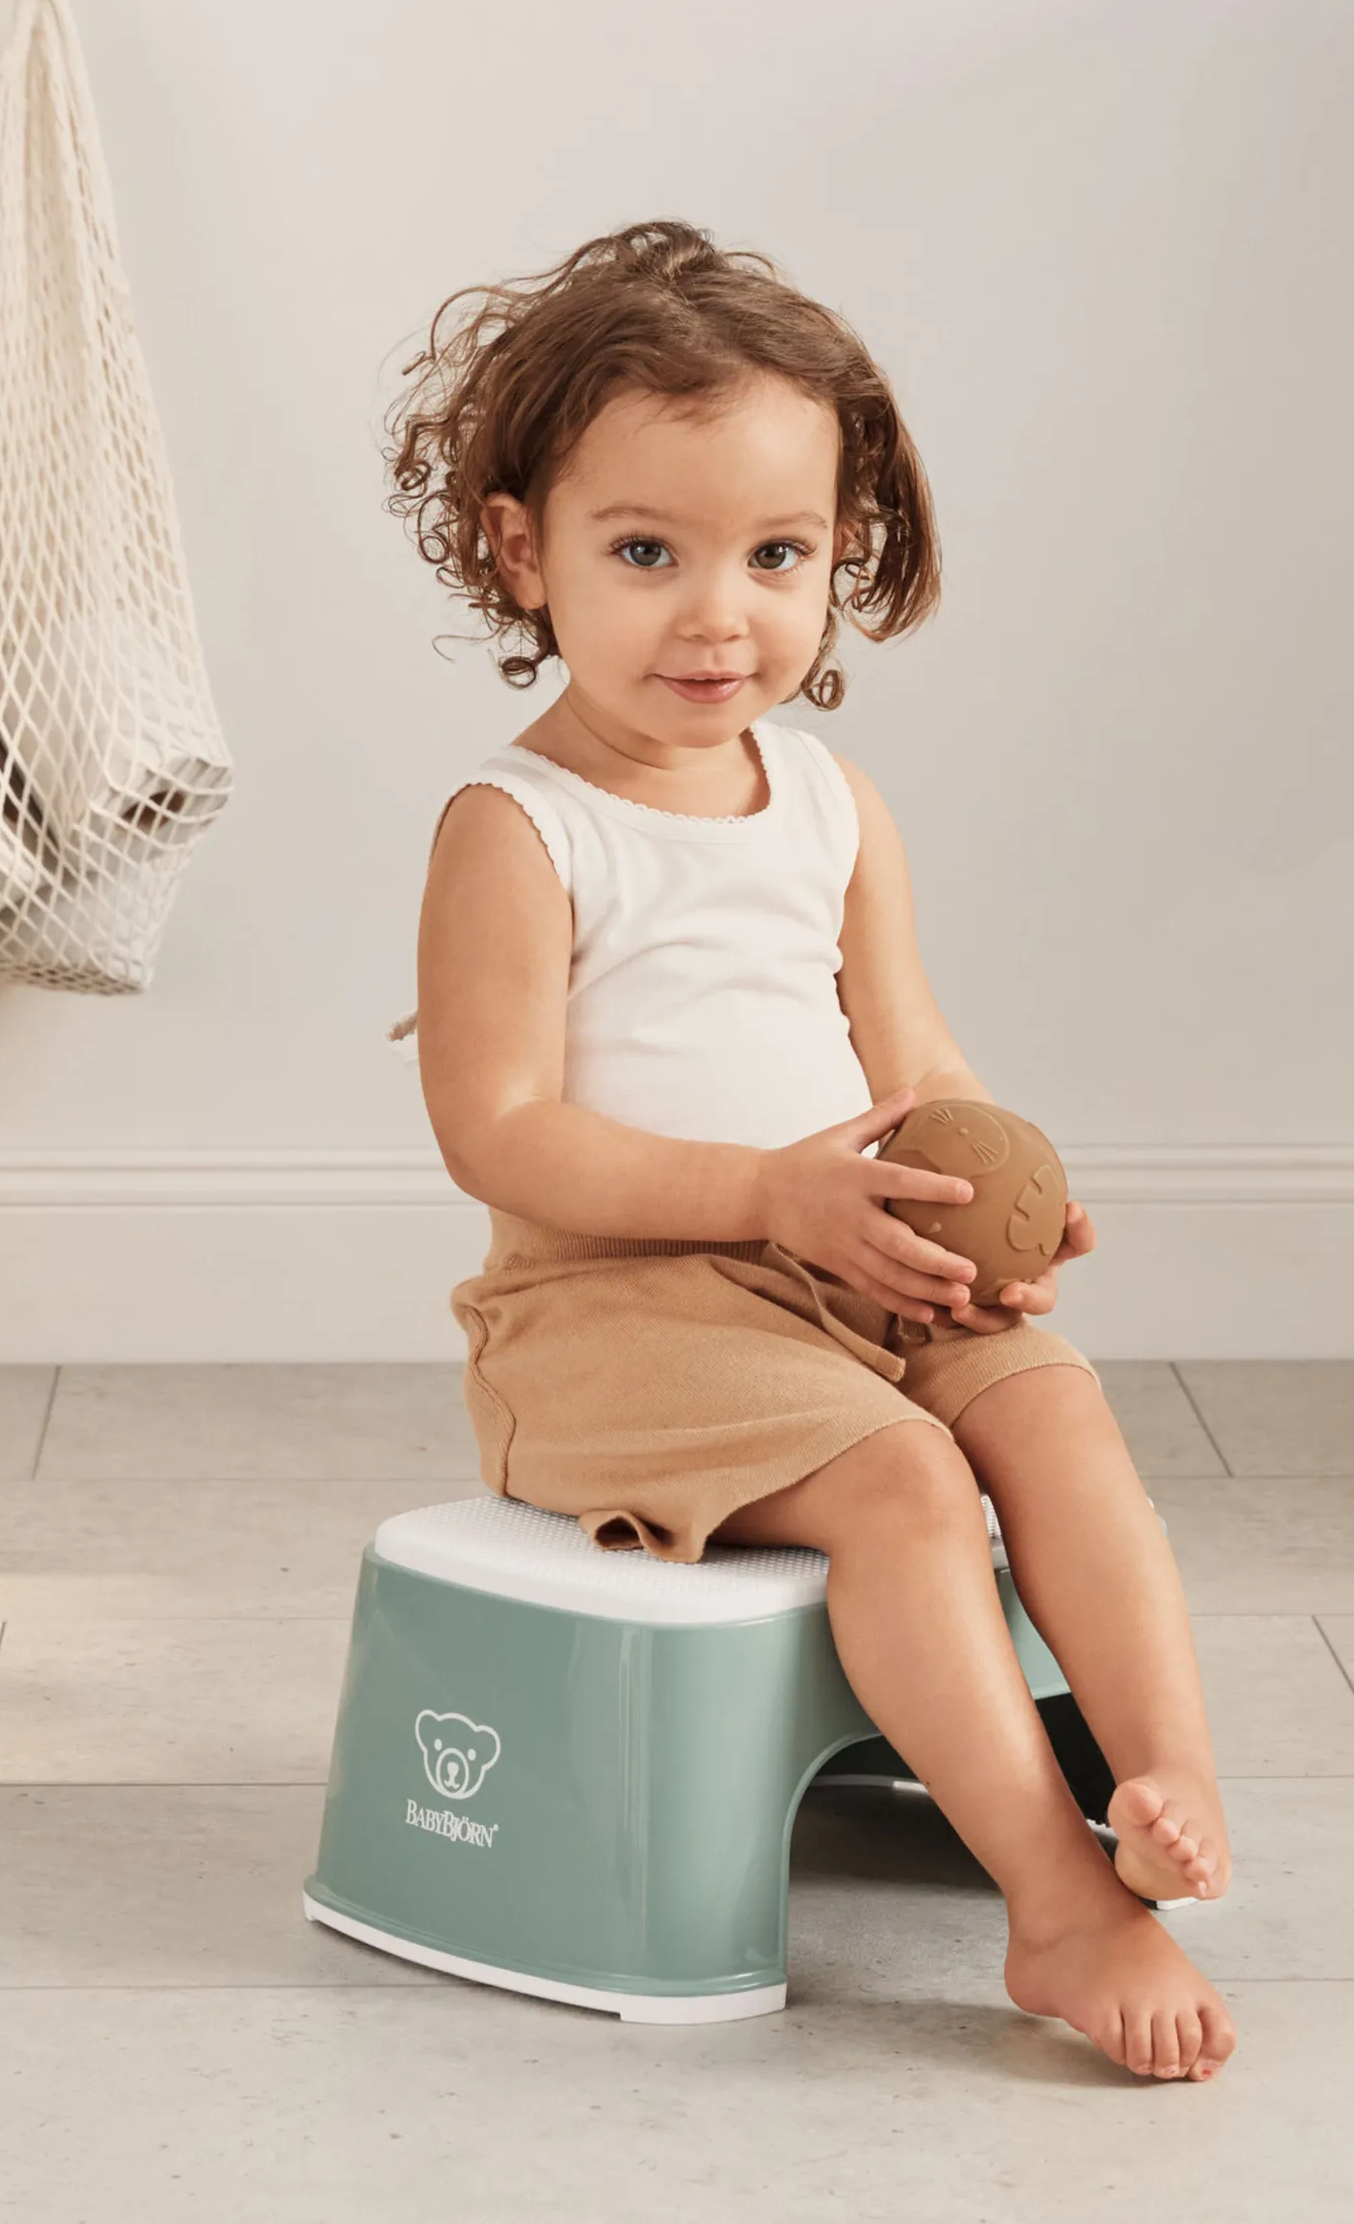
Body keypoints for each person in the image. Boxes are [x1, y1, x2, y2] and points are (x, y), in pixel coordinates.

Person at [387, 220, 1235, 2084]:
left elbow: (911, 1055)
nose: (721, 615)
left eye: (775, 555)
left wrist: (993, 1190)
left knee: (1055, 1407)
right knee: (910, 1481)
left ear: (840, 550)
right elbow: (497, 1135)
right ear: (524, 551)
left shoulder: (833, 802)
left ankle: (1155, 1769)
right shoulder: (517, 827)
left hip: (851, 1260)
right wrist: (770, 1193)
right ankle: (1053, 1899)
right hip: (615, 1321)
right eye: (647, 553)